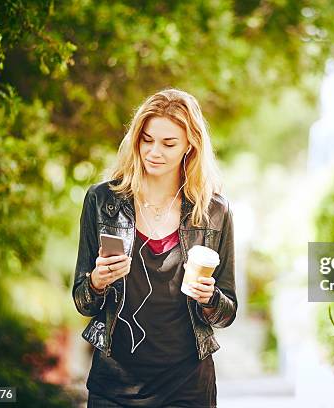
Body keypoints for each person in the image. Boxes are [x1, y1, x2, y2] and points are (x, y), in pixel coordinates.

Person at [72, 88, 237, 407]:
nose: (154, 152)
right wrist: (97, 281)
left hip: (188, 386)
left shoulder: (214, 212)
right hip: (114, 383)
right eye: (147, 139)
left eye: (168, 143)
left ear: (191, 144)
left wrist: (209, 298)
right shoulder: (103, 201)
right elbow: (83, 301)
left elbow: (227, 312)